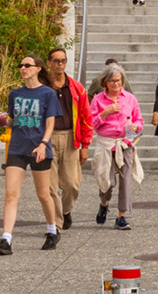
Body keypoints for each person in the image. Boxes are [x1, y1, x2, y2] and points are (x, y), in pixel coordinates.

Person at [0, 53, 63, 255]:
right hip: (17, 148)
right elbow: (14, 121)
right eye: (21, 65)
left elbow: (50, 123)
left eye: (27, 65)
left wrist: (43, 144)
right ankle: (6, 239)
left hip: (39, 148)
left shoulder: (48, 94)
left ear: (38, 69)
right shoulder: (15, 94)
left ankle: (52, 229)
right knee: (11, 194)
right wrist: (4, 121)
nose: (23, 68)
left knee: (43, 195)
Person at [41, 48, 91, 230]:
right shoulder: (42, 86)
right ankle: (56, 226)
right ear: (48, 63)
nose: (60, 64)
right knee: (50, 185)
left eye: (63, 60)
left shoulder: (76, 87)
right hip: (47, 137)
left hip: (70, 136)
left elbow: (86, 116)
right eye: (56, 61)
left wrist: (85, 144)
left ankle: (66, 210)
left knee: (72, 183)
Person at [89, 67, 142, 230]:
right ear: (105, 82)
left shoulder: (130, 99)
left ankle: (121, 216)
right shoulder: (98, 99)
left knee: (125, 179)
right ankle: (104, 203)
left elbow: (139, 120)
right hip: (106, 142)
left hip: (125, 142)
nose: (115, 84)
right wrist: (105, 112)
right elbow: (91, 123)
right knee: (108, 180)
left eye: (118, 80)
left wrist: (135, 127)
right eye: (112, 81)